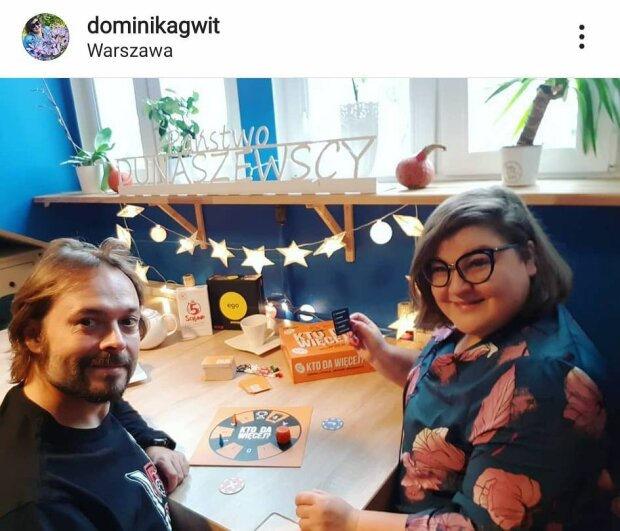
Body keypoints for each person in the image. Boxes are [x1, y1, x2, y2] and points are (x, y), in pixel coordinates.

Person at [295, 186, 612, 530]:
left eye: (477, 263)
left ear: (529, 257)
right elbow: (457, 386)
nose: (457, 287)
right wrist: (382, 354)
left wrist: (353, 521)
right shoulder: (486, 323)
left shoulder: (544, 384)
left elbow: (478, 526)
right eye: (439, 269)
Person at [0, 238, 189, 530]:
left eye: (128, 321)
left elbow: (113, 403)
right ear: (34, 336)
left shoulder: (77, 397)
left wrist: (151, 442)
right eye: (88, 322)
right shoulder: (41, 506)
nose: (117, 341)